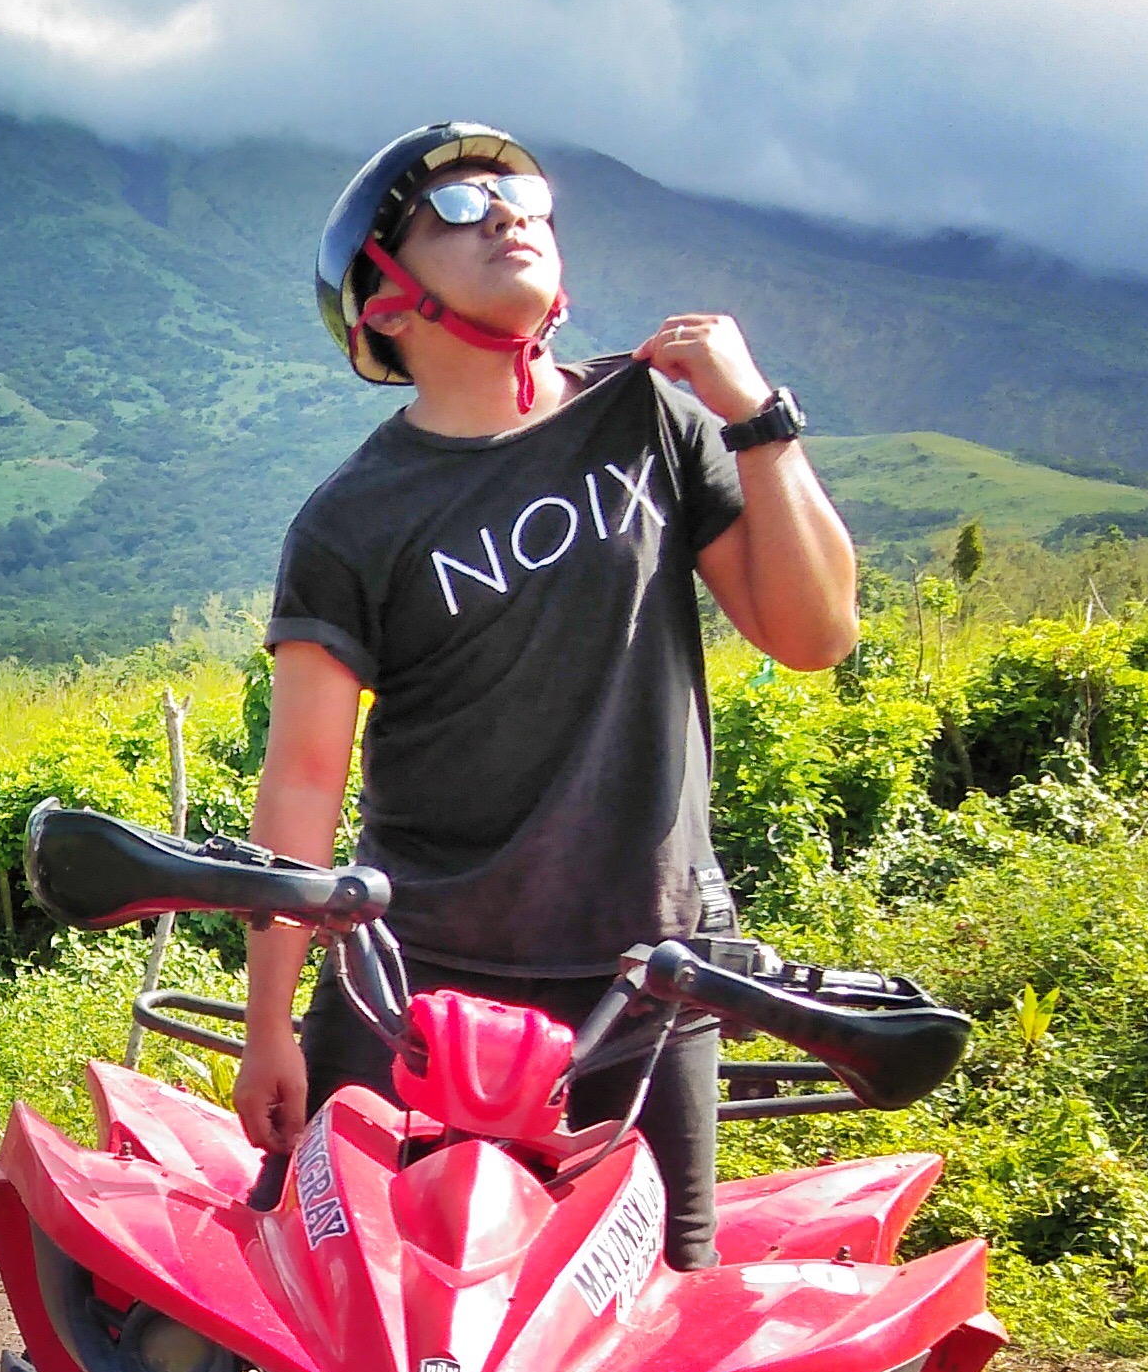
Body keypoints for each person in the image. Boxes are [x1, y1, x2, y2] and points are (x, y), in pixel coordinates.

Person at [234, 121, 860, 1270]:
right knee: (335, 1300)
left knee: (642, 1317)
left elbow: (812, 635)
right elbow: (304, 779)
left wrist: (755, 419)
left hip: (647, 970)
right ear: (383, 300)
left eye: (524, 198)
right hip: (409, 974)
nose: (507, 215)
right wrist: (267, 1020)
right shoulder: (349, 519)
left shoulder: (652, 419)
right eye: (457, 209)